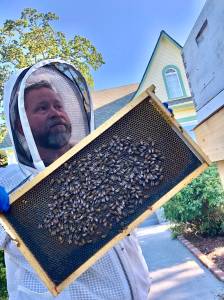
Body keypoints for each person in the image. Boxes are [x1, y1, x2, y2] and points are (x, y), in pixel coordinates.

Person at [0, 59, 151, 300]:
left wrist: (154, 133)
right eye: (42, 108)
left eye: (58, 105)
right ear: (20, 126)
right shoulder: (10, 183)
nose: (55, 112)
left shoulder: (99, 170)